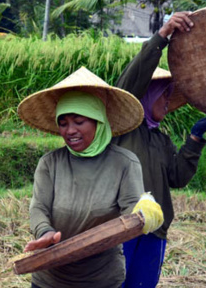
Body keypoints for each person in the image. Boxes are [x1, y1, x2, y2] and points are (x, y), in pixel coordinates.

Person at [112, 11, 206, 288]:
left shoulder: (161, 140)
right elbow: (131, 83)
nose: (168, 102)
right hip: (119, 228)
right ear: (148, 96)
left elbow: (177, 178)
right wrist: (163, 35)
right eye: (164, 95)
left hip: (154, 232)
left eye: (170, 95)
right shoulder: (121, 129)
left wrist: (196, 136)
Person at [18, 67, 165, 288]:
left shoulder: (124, 163)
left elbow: (130, 216)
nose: (70, 130)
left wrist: (144, 212)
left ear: (98, 121)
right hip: (50, 278)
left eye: (79, 121)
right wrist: (45, 232)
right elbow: (39, 207)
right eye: (63, 123)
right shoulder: (50, 163)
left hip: (101, 279)